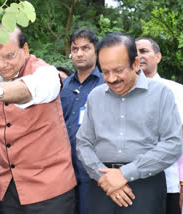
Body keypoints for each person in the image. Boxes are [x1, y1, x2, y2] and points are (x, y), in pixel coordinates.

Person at [0, 25, 76, 214]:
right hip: (7, 188)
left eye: (9, 56)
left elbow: (30, 90)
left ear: (24, 49)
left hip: (51, 188)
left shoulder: (45, 73)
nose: (1, 64)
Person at [76, 32, 182, 214]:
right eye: (105, 72)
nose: (111, 78)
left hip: (145, 183)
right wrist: (104, 178)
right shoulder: (95, 96)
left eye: (118, 71)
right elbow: (83, 143)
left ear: (135, 63)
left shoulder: (161, 93)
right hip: (102, 184)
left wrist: (125, 174)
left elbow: (172, 144)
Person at [136, 37, 183, 214]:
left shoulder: (177, 91)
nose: (139, 56)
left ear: (158, 57)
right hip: (133, 182)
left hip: (169, 182)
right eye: (135, 52)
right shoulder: (122, 92)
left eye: (144, 51)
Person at [60, 29, 105, 214]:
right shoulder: (63, 86)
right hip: (63, 170)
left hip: (94, 171)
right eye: (75, 48)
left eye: (85, 48)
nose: (79, 53)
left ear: (97, 51)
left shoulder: (106, 84)